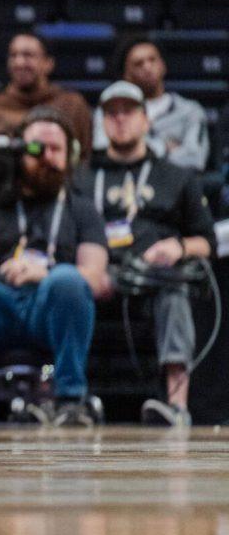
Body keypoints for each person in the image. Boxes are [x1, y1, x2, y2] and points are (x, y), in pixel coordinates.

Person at [0, 107, 109, 426]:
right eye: (37, 148)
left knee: (69, 279)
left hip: (48, 310)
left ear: (72, 156)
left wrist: (46, 273)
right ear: (19, 151)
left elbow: (95, 277)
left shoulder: (81, 209)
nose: (46, 157)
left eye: (57, 150)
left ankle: (70, 400)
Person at [75, 81, 215, 427]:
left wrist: (178, 246)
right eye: (111, 113)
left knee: (176, 292)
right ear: (102, 122)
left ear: (145, 120)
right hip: (98, 273)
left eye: (128, 111)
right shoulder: (80, 175)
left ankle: (176, 404)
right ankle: (69, 401)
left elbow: (207, 242)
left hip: (154, 277)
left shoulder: (176, 176)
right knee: (66, 287)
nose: (120, 119)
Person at [0, 33, 93, 159]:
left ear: (48, 63)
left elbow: (83, 159)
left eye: (28, 56)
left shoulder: (72, 105)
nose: (19, 62)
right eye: (13, 55)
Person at [92, 37, 209, 171]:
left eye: (152, 60)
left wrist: (132, 153)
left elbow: (195, 159)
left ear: (163, 66)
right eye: (138, 64)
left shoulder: (190, 111)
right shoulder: (109, 109)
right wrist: (164, 148)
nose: (147, 67)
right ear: (126, 74)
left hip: (172, 187)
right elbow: (102, 152)